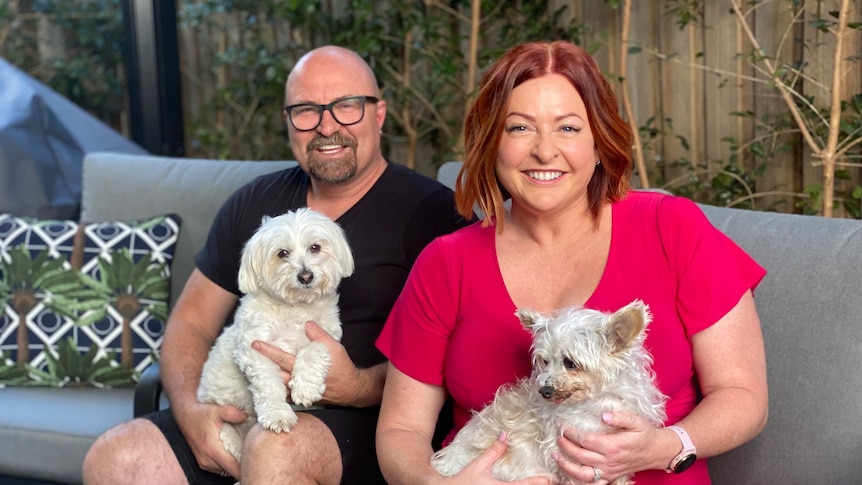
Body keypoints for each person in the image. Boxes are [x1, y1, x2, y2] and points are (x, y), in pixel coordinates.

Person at [375, 40, 768, 485]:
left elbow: (743, 396)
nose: (545, 151)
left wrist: (666, 446)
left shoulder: (672, 228)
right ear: (491, 145)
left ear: (599, 142)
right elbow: (400, 431)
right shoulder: (446, 262)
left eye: (568, 128)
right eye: (520, 128)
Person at [82, 45, 471, 485]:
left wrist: (360, 387)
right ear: (288, 122)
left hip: (369, 426)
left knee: (275, 448)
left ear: (378, 114)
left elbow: (465, 358)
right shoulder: (253, 203)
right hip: (247, 406)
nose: (327, 126)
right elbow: (191, 320)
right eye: (306, 110)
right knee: (116, 457)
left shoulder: (434, 214)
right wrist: (191, 413)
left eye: (346, 106)